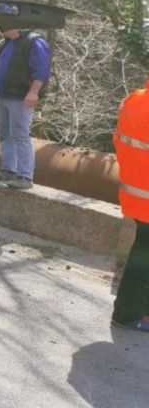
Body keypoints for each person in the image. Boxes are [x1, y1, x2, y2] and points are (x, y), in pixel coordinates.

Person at [0, 27, 51, 190]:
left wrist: (34, 92)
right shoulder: (7, 43)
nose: (0, 29)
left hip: (20, 96)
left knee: (20, 135)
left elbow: (41, 70)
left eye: (3, 26)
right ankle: (8, 170)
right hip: (1, 95)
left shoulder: (34, 41)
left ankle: (25, 176)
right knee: (5, 134)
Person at [111, 81, 149, 332]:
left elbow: (118, 140)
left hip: (135, 191)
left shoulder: (133, 99)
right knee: (143, 257)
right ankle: (128, 313)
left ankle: (135, 311)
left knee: (143, 251)